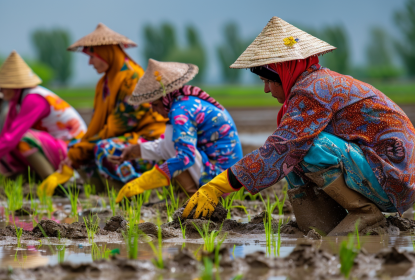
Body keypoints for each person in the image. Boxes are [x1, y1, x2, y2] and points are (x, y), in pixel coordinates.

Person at [182, 17, 415, 236]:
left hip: (392, 176)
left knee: (300, 147)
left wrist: (216, 186)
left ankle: (364, 211)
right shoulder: (313, 83)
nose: (265, 90)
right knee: (293, 155)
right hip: (379, 170)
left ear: (284, 73)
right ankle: (320, 227)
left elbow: (279, 149)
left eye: (267, 81)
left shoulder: (313, 89)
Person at [38, 23, 166, 196]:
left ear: (105, 53)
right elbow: (97, 127)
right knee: (76, 146)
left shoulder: (132, 78)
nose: (90, 63)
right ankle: (101, 195)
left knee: (103, 148)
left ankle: (135, 193)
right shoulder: (105, 83)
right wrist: (79, 148)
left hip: (149, 141)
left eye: (92, 56)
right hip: (123, 138)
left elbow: (119, 126)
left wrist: (82, 149)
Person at [113, 59, 243, 202]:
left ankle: (198, 198)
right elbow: (165, 147)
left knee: (175, 145)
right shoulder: (186, 102)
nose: (154, 111)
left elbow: (185, 157)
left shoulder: (180, 111)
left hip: (221, 182)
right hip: (229, 178)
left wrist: (143, 182)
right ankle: (191, 196)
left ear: (165, 98)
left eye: (155, 104)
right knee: (172, 139)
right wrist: (134, 150)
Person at [0, 51, 87, 184]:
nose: (0, 91)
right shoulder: (16, 102)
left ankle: (54, 181)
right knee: (7, 147)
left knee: (25, 139)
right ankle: (25, 178)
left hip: (72, 149)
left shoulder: (34, 98)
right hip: (54, 146)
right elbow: (5, 136)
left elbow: (14, 136)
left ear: (14, 86)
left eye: (3, 87)